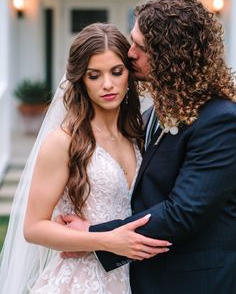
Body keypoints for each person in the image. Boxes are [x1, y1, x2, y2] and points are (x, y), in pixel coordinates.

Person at [66, 0, 236, 294]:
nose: (129, 53)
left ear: (171, 57)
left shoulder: (222, 121)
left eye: (140, 47)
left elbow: (182, 213)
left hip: (195, 282)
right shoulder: (154, 113)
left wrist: (95, 236)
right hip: (146, 279)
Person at [0, 23, 171, 294]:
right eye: (94, 75)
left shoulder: (139, 135)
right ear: (81, 79)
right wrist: (106, 241)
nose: (107, 84)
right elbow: (33, 228)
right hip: (81, 282)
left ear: (129, 74)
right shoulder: (63, 141)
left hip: (134, 279)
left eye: (117, 72)